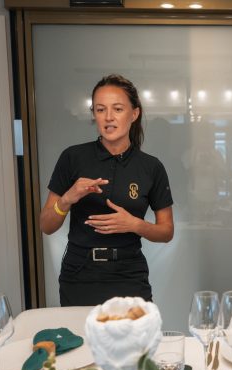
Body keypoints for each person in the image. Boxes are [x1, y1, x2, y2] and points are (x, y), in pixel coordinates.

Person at [40, 74, 174, 306]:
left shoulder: (151, 167)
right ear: (94, 114)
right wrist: (67, 199)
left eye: (118, 109)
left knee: (135, 331)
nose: (109, 117)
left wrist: (135, 224)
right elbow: (46, 225)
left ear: (134, 114)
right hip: (79, 273)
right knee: (80, 331)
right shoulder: (72, 157)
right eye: (100, 110)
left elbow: (166, 231)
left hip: (130, 274)